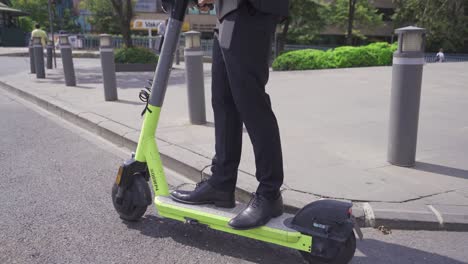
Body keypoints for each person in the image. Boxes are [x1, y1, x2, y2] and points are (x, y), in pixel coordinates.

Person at [171, 0, 289, 230]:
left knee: (251, 102)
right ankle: (221, 183)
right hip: (228, 11)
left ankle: (270, 193)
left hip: (251, 10)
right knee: (223, 100)